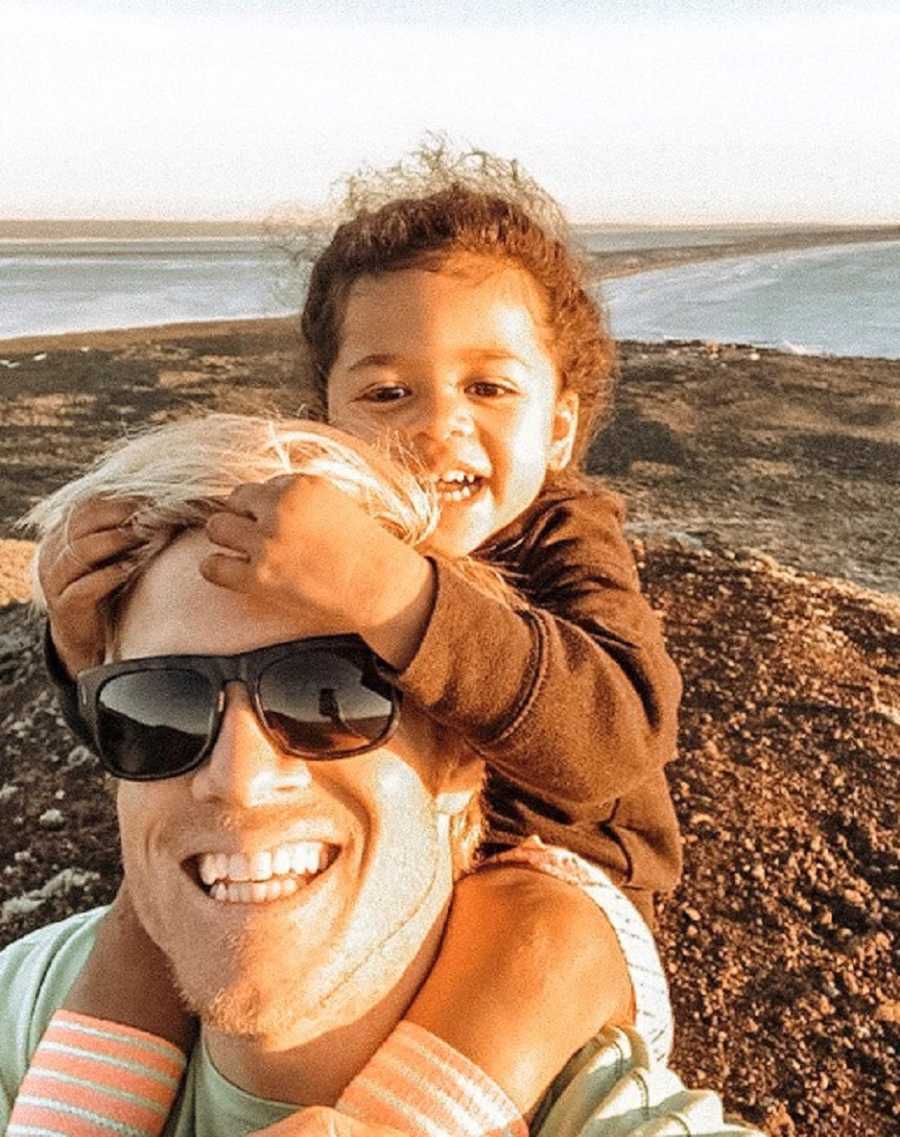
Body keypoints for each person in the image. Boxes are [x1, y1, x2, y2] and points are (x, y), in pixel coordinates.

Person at [35, 145, 682, 1113]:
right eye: (388, 392)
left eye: (489, 389)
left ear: (558, 429)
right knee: (143, 904)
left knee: (532, 914)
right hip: (365, 867)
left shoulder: (567, 536)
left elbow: (615, 745)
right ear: (326, 415)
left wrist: (400, 593)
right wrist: (86, 636)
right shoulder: (312, 538)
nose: (437, 426)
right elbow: (167, 731)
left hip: (557, 883)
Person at [5, 416, 760, 1137]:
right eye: (157, 706)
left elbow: (618, 727)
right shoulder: (31, 1003)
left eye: (323, 695)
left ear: (464, 747)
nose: (237, 777)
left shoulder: (566, 553)